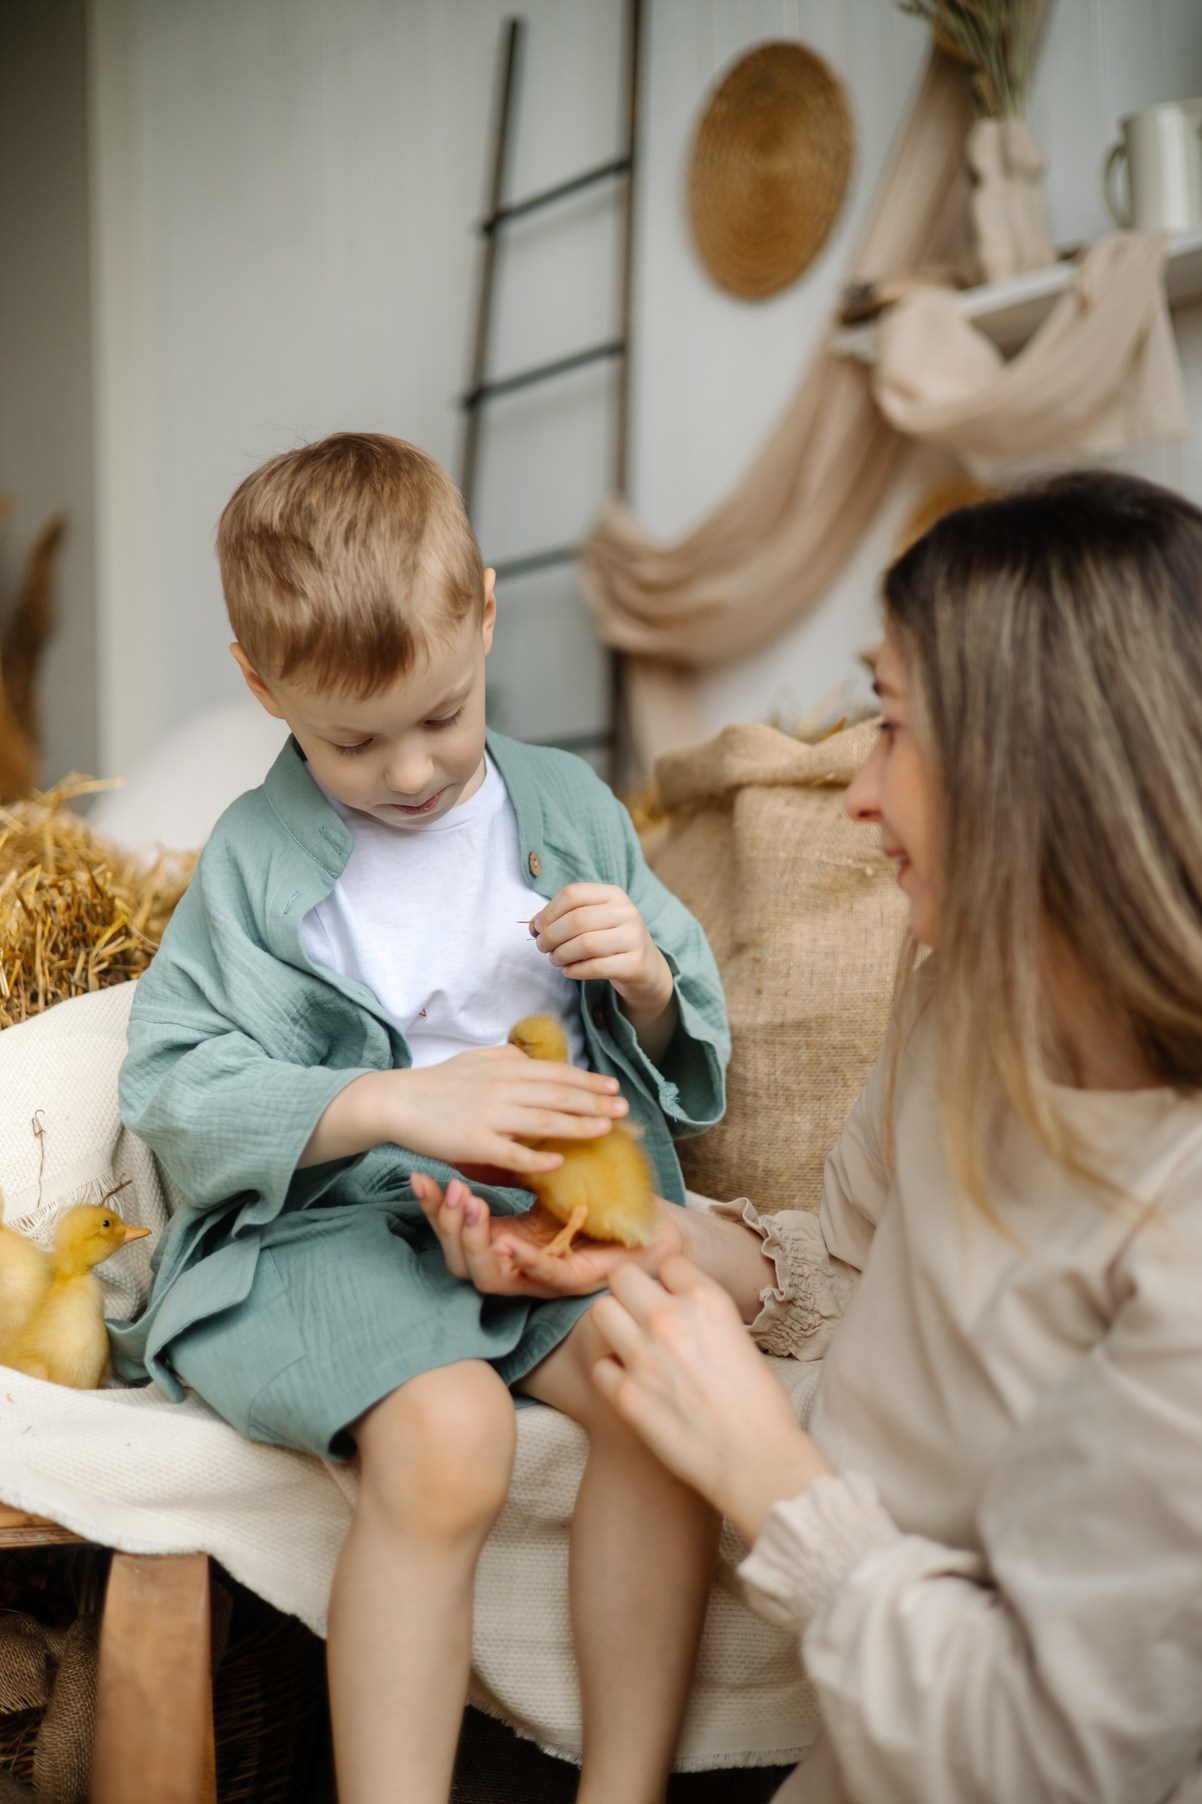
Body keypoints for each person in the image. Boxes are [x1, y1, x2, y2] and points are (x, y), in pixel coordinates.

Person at [418, 470, 1202, 1802]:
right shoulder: (959, 997)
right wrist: (640, 1242)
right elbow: (850, 1271)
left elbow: (1053, 1754)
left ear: (1042, 769)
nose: (854, 794)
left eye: (893, 728)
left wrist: (763, 1472)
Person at [114, 432, 731, 1804]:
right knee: (452, 1435)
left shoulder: (568, 808)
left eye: (443, 717)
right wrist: (390, 1101)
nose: (409, 772)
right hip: (333, 1233)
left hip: (538, 1215)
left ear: (487, 616)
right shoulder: (256, 861)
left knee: (664, 1394)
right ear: (262, 687)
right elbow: (171, 1082)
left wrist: (643, 977)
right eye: (354, 739)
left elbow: (682, 1050)